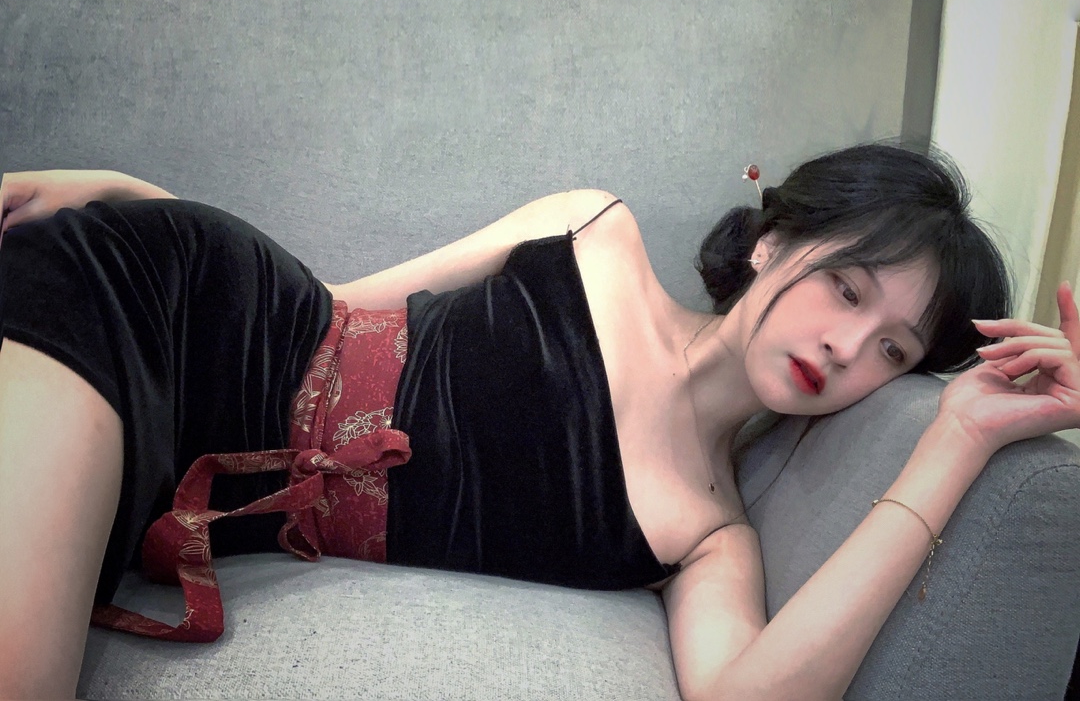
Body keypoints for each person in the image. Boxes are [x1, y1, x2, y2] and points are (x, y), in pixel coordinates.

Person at [0, 143, 1077, 701]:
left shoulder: (709, 535)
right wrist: (128, 196)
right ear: (772, 243)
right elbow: (328, 302)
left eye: (893, 350)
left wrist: (959, 438)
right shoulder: (591, 230)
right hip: (157, 303)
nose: (847, 347)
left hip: (188, 489)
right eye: (847, 289)